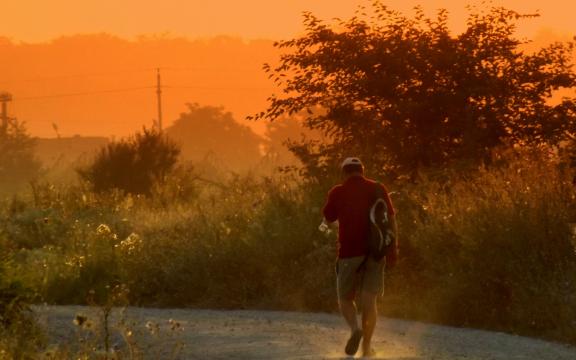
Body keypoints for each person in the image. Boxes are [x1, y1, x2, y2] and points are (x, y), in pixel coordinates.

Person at [322, 157, 397, 357]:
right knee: (369, 301)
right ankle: (366, 348)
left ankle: (355, 330)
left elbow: (328, 219)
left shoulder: (338, 191)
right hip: (376, 250)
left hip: (348, 252)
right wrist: (392, 249)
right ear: (362, 171)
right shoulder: (378, 188)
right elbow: (390, 220)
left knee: (345, 298)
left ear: (344, 173)